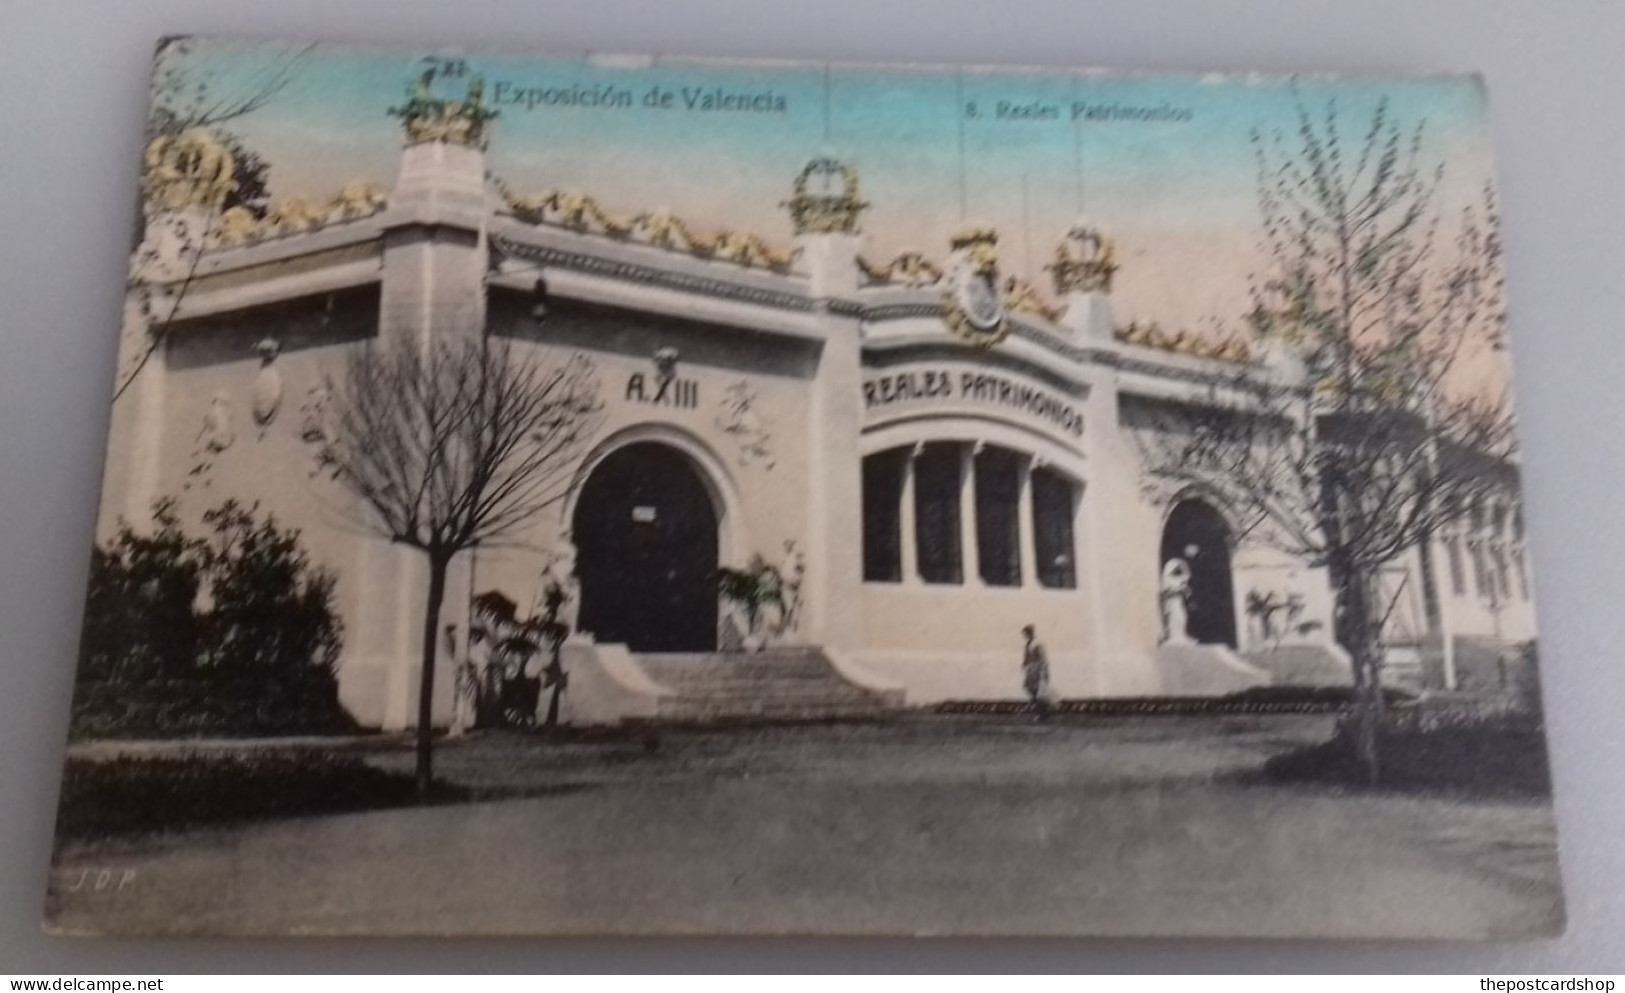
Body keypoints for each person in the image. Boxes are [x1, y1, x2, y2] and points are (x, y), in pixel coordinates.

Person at [1021, 624, 1054, 720]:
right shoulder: (1027, 644)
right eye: (1025, 634)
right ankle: (1043, 710)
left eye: (1027, 633)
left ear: (1031, 633)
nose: (1025, 636)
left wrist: (1044, 671)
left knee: (1039, 691)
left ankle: (1042, 712)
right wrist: (1024, 665)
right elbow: (1026, 657)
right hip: (1031, 670)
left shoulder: (1038, 643)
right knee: (1029, 688)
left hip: (1038, 669)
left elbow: (1043, 658)